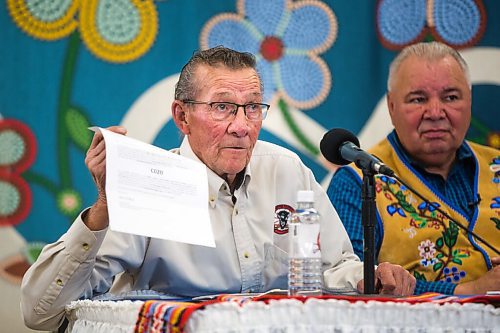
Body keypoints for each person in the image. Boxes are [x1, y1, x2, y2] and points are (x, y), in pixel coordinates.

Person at [21, 46, 415, 331]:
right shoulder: (152, 184)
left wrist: (368, 278)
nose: (242, 126)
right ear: (182, 116)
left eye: (253, 107)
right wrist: (105, 206)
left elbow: (331, 268)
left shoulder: (286, 171)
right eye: (222, 106)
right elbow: (40, 313)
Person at [327, 41, 500, 295]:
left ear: (470, 101)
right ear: (391, 106)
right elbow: (348, 285)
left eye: (451, 97)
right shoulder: (357, 180)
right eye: (418, 99)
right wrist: (469, 289)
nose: (435, 112)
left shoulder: (495, 165)